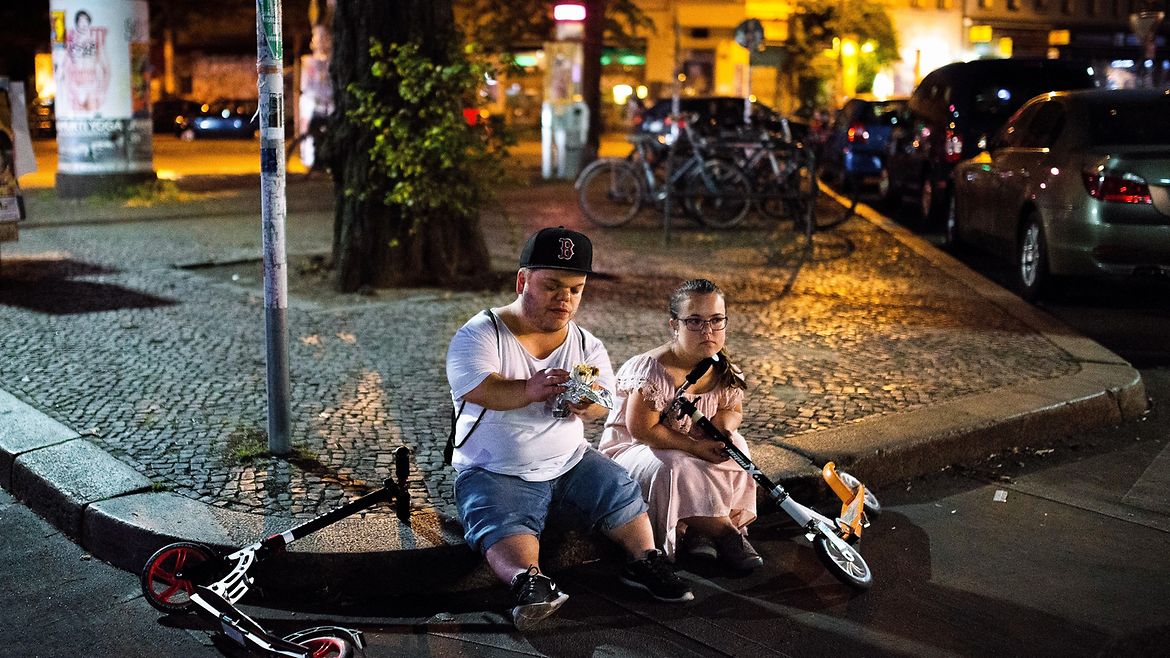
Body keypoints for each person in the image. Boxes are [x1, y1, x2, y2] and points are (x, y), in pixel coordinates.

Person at [445, 226, 694, 631]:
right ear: (522, 280)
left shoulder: (585, 342)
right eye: (552, 286)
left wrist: (586, 403)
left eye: (576, 289)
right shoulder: (481, 333)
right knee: (498, 517)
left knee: (618, 486)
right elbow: (479, 389)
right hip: (496, 466)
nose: (565, 299)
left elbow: (601, 401)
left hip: (569, 460)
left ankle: (645, 560)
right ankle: (529, 583)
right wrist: (529, 388)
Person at [599, 279, 761, 570]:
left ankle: (698, 531)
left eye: (716, 320)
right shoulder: (654, 369)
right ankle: (725, 534)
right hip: (639, 451)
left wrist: (722, 428)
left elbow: (732, 408)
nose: (708, 330)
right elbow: (641, 430)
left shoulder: (722, 369)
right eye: (695, 322)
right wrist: (695, 446)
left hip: (689, 445)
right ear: (674, 324)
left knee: (737, 446)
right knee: (676, 465)